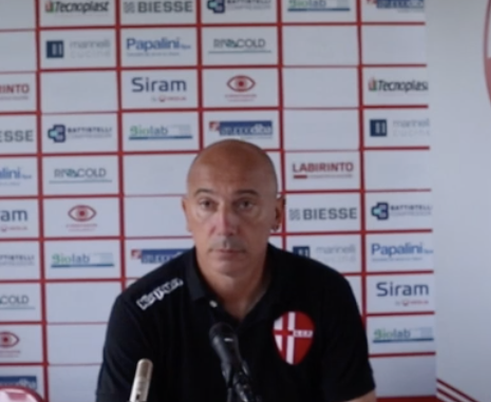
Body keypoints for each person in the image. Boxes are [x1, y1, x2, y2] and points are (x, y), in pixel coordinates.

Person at [95, 139, 377, 402]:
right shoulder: (140, 311)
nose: (225, 225)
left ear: (277, 213)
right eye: (207, 204)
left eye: (245, 204)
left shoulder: (326, 293)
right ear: (186, 212)